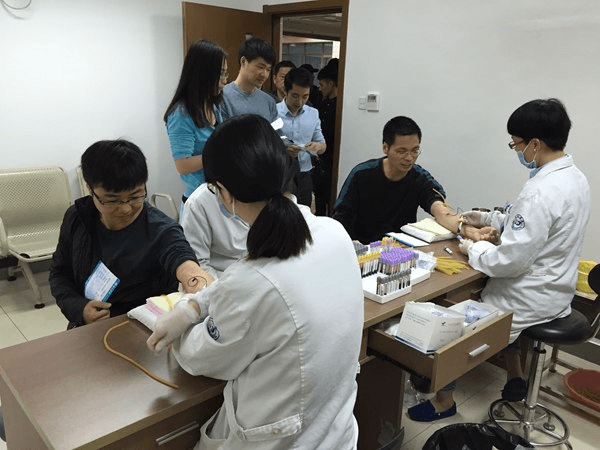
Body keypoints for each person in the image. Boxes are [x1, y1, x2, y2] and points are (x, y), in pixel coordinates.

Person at [147, 115, 364, 450]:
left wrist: (180, 321)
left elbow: (202, 358)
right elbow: (245, 284)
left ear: (225, 193)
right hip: (337, 432)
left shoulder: (252, 282)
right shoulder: (334, 233)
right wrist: (195, 306)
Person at [408, 98, 591, 422]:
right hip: (556, 292)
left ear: (535, 144)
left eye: (516, 144)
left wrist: (471, 247)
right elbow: (535, 225)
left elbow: (510, 261)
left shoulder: (540, 190)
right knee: (491, 304)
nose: (516, 150)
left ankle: (443, 400)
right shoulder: (575, 178)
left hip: (529, 297)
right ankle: (515, 375)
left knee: (457, 323)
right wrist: (486, 218)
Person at [49, 140, 213, 329]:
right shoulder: (77, 218)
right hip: (85, 326)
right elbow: (59, 273)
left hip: (143, 329)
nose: (126, 209)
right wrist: (79, 308)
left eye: (135, 196)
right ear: (90, 188)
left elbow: (182, 258)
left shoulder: (160, 230)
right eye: (112, 200)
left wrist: (198, 282)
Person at [333, 116, 464, 244]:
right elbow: (340, 219)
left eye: (415, 151)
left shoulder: (419, 177)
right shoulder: (361, 175)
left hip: (400, 249)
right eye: (402, 151)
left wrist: (465, 229)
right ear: (385, 147)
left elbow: (438, 207)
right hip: (363, 248)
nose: (409, 158)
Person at [164, 39, 228, 204]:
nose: (225, 80)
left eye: (225, 74)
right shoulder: (181, 114)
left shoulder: (213, 106)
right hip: (198, 198)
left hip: (217, 193)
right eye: (221, 74)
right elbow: (182, 165)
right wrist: (219, 153)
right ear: (203, 74)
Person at [277, 68, 326, 207]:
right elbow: (265, 144)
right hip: (280, 174)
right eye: (295, 95)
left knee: (304, 213)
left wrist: (317, 147)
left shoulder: (313, 113)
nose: (299, 102)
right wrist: (284, 149)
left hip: (305, 174)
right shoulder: (273, 112)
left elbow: (323, 145)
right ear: (286, 90)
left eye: (305, 96)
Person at [181, 182, 248, 280]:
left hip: (258, 274)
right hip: (222, 279)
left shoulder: (262, 195)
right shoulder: (199, 202)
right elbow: (197, 265)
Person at [219, 38, 278, 123]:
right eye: (260, 67)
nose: (264, 74)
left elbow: (275, 130)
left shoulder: (269, 102)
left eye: (268, 70)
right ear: (243, 62)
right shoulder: (223, 97)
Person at [313, 59, 339, 215]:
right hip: (319, 160)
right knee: (319, 199)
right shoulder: (321, 104)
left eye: (322, 85)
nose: (320, 88)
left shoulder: (339, 107)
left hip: (331, 160)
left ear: (331, 83)